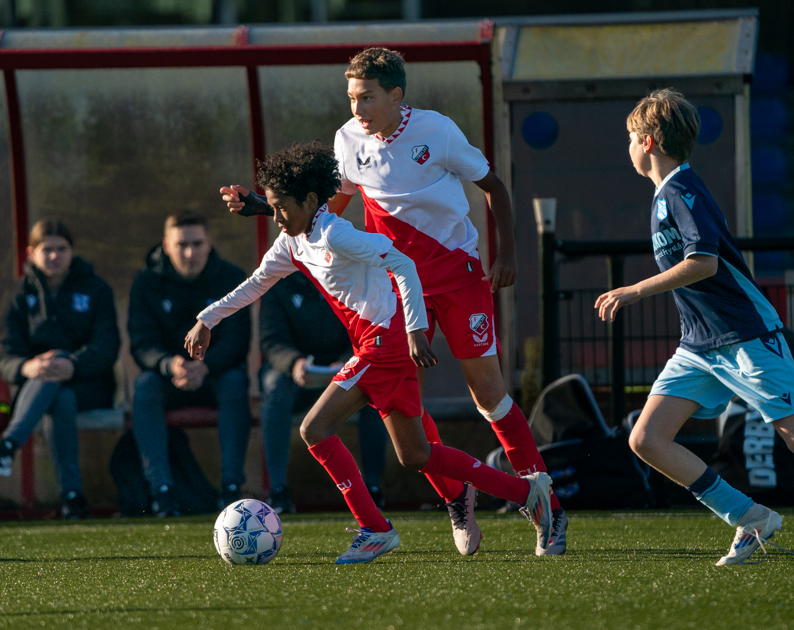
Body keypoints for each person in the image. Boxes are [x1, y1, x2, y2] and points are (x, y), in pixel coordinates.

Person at [222, 47, 566, 556]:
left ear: (396, 95)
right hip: (398, 288)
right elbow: (325, 207)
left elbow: (493, 186)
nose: (356, 106)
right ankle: (457, 497)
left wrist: (508, 253)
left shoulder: (438, 131)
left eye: (366, 96)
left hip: (460, 277)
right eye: (351, 96)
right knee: (405, 408)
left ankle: (546, 506)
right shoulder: (347, 139)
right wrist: (262, 208)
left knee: (488, 394)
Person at [596, 89, 794, 566]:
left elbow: (703, 263)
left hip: (746, 335)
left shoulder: (681, 191)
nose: (626, 146)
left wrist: (633, 291)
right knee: (646, 439)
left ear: (646, 141)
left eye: (628, 137)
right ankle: (750, 518)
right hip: (700, 346)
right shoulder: (666, 194)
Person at [0, 219, 120, 520]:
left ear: (71, 251)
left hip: (91, 385)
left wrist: (72, 364)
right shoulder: (18, 294)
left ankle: (7, 447)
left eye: (61, 249)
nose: (55, 256)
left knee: (60, 382)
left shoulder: (96, 289)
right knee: (59, 396)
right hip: (37, 390)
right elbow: (3, 356)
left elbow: (108, 346)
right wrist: (27, 366)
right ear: (31, 252)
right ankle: (72, 496)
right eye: (47, 249)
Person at [128, 211, 252, 516]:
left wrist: (205, 367)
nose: (190, 252)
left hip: (215, 374)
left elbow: (238, 342)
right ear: (166, 246)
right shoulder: (146, 281)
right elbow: (141, 344)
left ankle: (232, 489)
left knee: (236, 381)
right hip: (169, 377)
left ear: (209, 244)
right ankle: (163, 492)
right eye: (181, 244)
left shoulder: (232, 278)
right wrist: (170, 365)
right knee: (144, 387)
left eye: (197, 243)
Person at [260, 271, 388, 514]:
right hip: (295, 376)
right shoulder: (277, 283)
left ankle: (371, 488)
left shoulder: (352, 277)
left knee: (375, 387)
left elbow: (365, 332)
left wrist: (346, 362)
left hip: (345, 372)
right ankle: (278, 491)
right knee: (274, 388)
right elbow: (271, 341)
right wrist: (294, 363)